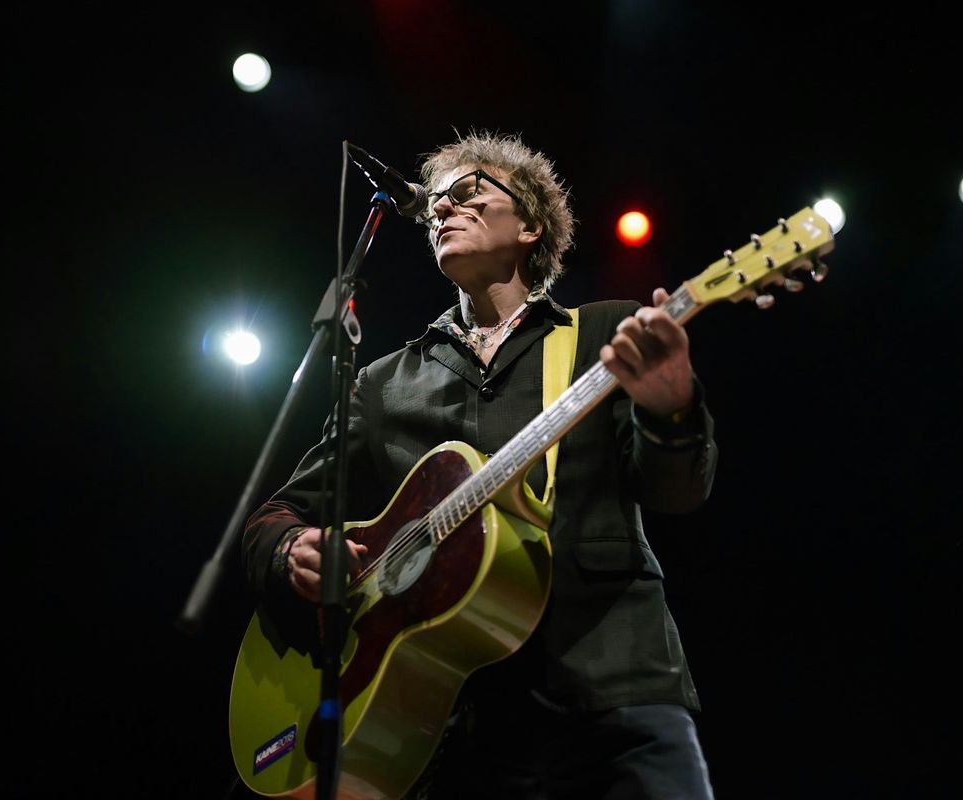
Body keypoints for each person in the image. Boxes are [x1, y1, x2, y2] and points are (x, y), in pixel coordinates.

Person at [242, 131, 718, 799]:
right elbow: (276, 514)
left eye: (466, 194)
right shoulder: (381, 385)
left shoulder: (607, 334)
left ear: (528, 223)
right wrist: (290, 549)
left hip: (620, 692)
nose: (442, 211)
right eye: (435, 204)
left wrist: (670, 410)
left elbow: (676, 494)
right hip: (460, 721)